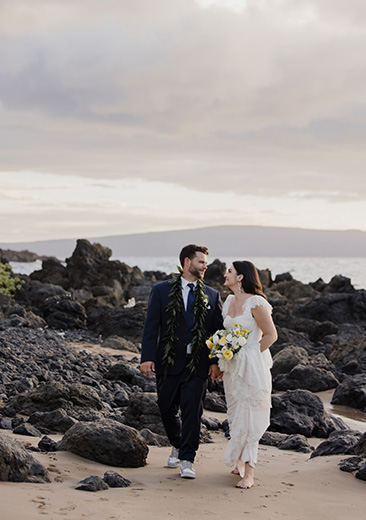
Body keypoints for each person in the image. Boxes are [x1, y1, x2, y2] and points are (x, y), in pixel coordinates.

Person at [140, 244, 223, 479]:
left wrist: (216, 362)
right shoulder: (161, 290)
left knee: (192, 412)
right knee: (166, 408)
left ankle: (187, 459)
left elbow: (216, 332)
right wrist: (147, 357)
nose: (205, 266)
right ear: (187, 262)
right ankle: (176, 443)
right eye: (201, 262)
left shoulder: (212, 295)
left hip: (198, 364)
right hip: (168, 361)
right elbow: (151, 326)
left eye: (206, 263)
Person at [220, 260, 277, 489]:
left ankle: (250, 472)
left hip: (251, 367)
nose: (226, 274)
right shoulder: (230, 300)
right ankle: (239, 461)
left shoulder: (256, 302)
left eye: (230, 271)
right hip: (231, 368)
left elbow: (271, 335)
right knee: (235, 412)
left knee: (251, 413)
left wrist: (247, 354)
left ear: (241, 276)